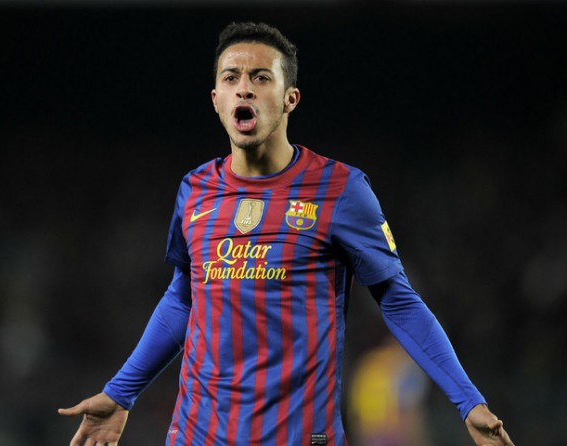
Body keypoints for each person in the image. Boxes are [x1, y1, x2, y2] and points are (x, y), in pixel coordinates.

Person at [59, 22, 514, 446]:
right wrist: (121, 392)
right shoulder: (195, 190)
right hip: (198, 434)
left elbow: (398, 300)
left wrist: (468, 401)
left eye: (261, 77)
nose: (244, 87)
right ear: (216, 98)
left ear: (290, 98)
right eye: (232, 77)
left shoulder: (341, 190)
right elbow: (183, 298)